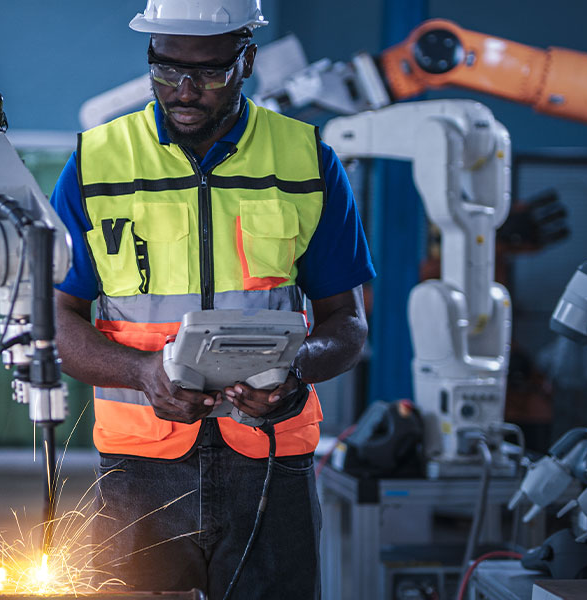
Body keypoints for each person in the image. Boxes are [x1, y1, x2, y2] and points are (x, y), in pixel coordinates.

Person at [49, 1, 374, 598]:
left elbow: (347, 323)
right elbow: (54, 320)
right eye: (166, 70)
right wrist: (141, 372)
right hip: (140, 465)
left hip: (271, 460)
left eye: (208, 72)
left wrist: (295, 371)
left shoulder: (307, 161)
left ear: (247, 59)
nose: (185, 90)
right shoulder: (96, 164)